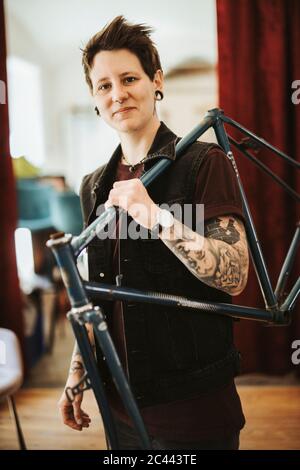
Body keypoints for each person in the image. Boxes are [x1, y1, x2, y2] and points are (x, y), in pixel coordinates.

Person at [58, 15, 249, 450]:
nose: (117, 94)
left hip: (192, 407)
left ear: (156, 81)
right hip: (119, 402)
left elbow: (235, 276)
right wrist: (75, 377)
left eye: (129, 78)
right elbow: (96, 292)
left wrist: (157, 216)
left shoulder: (204, 162)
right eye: (103, 85)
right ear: (94, 96)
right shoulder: (93, 186)